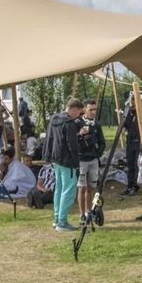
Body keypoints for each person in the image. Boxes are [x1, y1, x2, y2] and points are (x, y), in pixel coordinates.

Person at [44, 97, 84, 231]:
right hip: (68, 162)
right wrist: (76, 163)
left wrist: (48, 156)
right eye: (79, 112)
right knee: (68, 191)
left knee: (59, 190)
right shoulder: (69, 124)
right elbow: (72, 145)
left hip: (56, 160)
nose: (78, 116)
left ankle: (56, 219)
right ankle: (62, 222)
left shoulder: (54, 119)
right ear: (74, 109)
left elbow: (49, 138)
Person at [76, 100, 106, 226]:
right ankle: (82, 214)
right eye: (90, 109)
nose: (93, 112)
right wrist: (79, 134)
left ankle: (89, 211)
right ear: (84, 109)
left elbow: (102, 142)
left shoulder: (96, 125)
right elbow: (73, 140)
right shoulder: (78, 122)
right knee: (82, 188)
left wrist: (97, 154)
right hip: (81, 160)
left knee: (91, 187)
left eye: (95, 109)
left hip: (93, 160)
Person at [121, 95, 141, 196]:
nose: (132, 104)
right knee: (130, 165)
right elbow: (125, 124)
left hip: (139, 142)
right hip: (130, 142)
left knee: (136, 165)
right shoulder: (129, 113)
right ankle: (130, 186)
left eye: (134, 101)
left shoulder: (141, 113)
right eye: (131, 102)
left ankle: (135, 186)